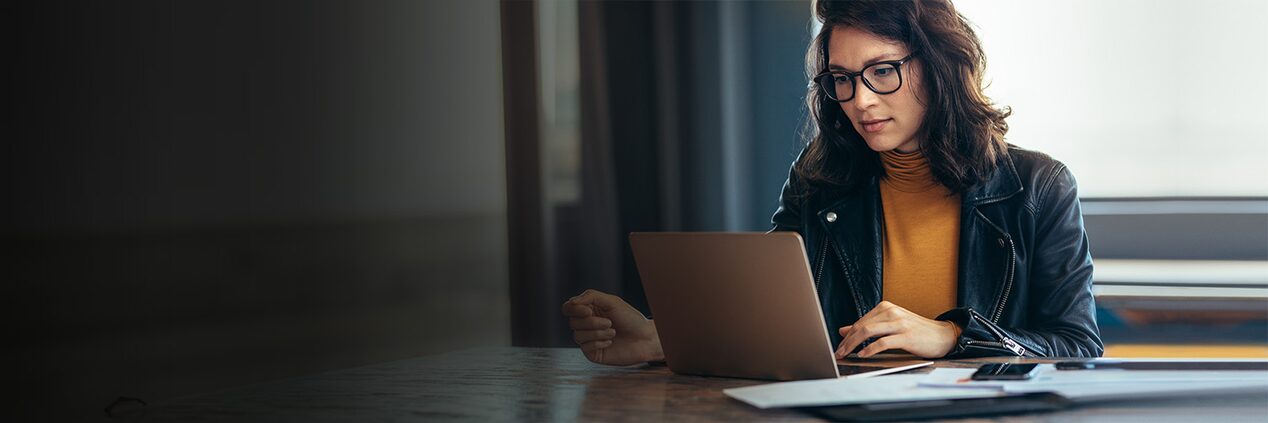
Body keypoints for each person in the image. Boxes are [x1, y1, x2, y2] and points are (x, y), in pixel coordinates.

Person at [561, 0, 1102, 366]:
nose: (860, 100)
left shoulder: (1037, 187)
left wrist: (954, 337)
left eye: (882, 71)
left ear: (940, 64)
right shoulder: (820, 178)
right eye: (842, 79)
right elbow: (772, 319)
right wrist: (661, 338)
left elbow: (1077, 347)